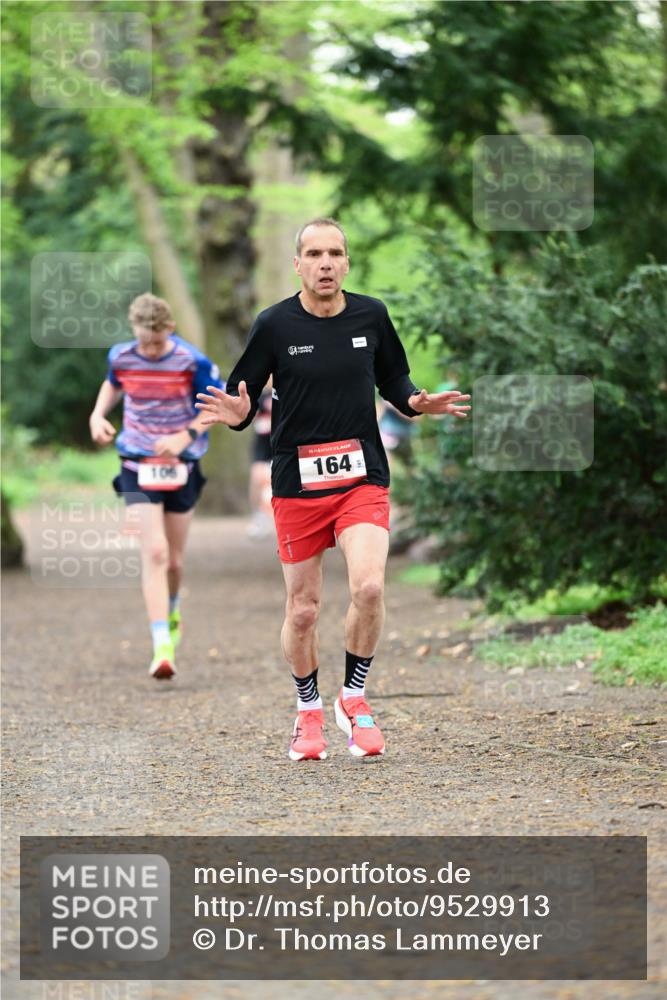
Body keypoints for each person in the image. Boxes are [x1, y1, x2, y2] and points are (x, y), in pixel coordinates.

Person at [195, 218, 470, 759]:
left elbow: (394, 379)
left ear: (347, 262)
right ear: (297, 263)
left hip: (360, 478)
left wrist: (415, 402)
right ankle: (307, 712)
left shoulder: (372, 314)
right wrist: (236, 412)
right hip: (297, 483)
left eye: (335, 253)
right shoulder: (274, 324)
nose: (325, 263)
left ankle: (354, 699)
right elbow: (242, 394)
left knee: (369, 587)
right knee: (303, 610)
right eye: (314, 253)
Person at [89, 292, 223, 680]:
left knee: (176, 561)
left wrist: (184, 436)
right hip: (136, 461)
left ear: (170, 329)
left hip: (180, 463)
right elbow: (113, 384)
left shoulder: (190, 360)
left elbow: (215, 406)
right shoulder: (122, 355)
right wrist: (98, 415)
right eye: (142, 340)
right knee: (156, 553)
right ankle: (161, 644)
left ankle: (173, 606)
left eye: (155, 341)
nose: (148, 349)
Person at [247, 384, 274, 539]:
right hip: (262, 447)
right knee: (257, 481)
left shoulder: (287, 390)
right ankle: (259, 518)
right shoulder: (259, 396)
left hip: (282, 446)